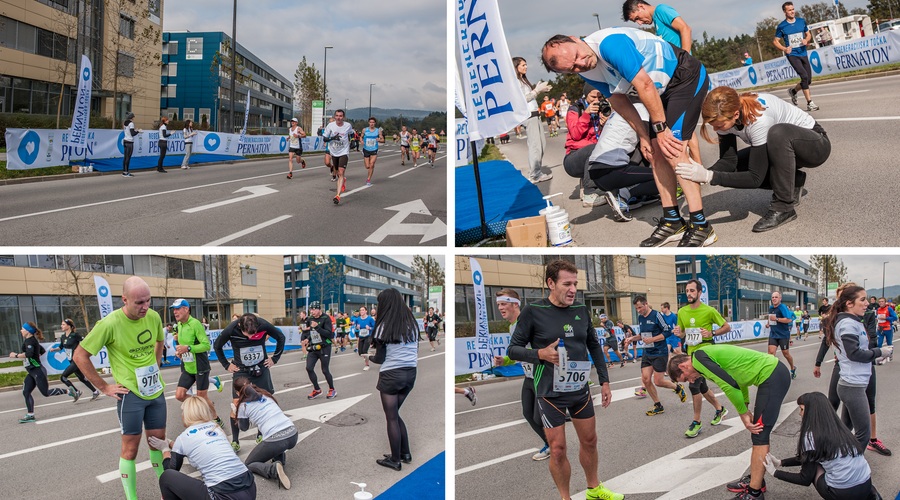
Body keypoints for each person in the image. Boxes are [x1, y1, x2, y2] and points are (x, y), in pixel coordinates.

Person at [542, 28, 715, 247]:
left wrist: (661, 130)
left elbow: (644, 84)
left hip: (685, 77)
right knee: (655, 154)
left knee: (672, 149)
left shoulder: (609, 45)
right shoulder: (585, 71)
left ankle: (701, 225)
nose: (581, 65)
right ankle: (673, 220)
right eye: (573, 68)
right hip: (659, 91)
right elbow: (619, 101)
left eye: (577, 56)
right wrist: (644, 136)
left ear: (576, 39)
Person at [507, 260, 619, 500]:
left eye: (575, 284)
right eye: (567, 283)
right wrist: (540, 354)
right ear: (550, 283)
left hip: (580, 389)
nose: (573, 289)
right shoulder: (533, 311)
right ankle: (565, 497)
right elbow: (512, 350)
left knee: (589, 441)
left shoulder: (580, 310)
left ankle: (594, 489)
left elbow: (593, 345)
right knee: (557, 450)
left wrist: (605, 381)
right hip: (549, 392)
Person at [678, 86, 830, 232]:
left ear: (735, 115)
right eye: (713, 126)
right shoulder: (728, 114)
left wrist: (709, 177)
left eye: (719, 125)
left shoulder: (758, 120)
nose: (716, 130)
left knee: (777, 133)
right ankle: (794, 180)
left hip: (816, 146)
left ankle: (784, 207)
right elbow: (729, 162)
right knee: (738, 167)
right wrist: (701, 173)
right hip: (786, 150)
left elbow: (755, 178)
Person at [73, 277, 167, 500]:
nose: (145, 307)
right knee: (131, 449)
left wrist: (155, 365)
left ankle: (166, 492)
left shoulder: (153, 317)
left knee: (157, 443)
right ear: (124, 300)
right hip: (130, 395)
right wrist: (104, 387)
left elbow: (160, 342)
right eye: (139, 303)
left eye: (148, 301)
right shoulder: (109, 323)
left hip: (155, 391)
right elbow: (80, 355)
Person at [668, 343, 791, 500]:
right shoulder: (702, 359)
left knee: (759, 434)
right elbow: (737, 380)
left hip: (772, 376)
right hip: (772, 375)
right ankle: (757, 479)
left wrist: (742, 413)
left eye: (686, 378)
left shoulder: (699, 359)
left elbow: (729, 385)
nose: (691, 381)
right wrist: (745, 405)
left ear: (683, 366)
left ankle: (755, 492)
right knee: (758, 435)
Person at [622, 0, 704, 166]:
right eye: (635, 22)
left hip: (683, 72)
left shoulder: (661, 10)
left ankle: (695, 166)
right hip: (673, 76)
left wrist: (685, 59)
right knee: (683, 125)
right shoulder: (657, 23)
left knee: (681, 126)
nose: (639, 23)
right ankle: (694, 165)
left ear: (641, 6)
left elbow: (685, 28)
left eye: (637, 17)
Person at [813, 282, 891, 457]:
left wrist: (876, 358)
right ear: (849, 303)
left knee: (846, 428)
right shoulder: (848, 323)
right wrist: (879, 351)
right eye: (862, 300)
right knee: (863, 434)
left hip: (855, 382)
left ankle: (831, 456)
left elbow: (856, 352)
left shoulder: (852, 321)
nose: (867, 303)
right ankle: (849, 469)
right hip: (852, 385)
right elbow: (854, 353)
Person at [763, 392, 881, 499]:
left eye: (802, 409)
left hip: (843, 493)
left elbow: (805, 478)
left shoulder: (811, 437)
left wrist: (775, 473)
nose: (800, 414)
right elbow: (810, 456)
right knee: (819, 460)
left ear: (812, 412)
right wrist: (781, 462)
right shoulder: (840, 428)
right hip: (866, 485)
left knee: (816, 466)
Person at [154, 396, 257, 500]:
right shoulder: (216, 428)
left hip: (224, 495)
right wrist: (171, 443)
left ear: (187, 415)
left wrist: (165, 449)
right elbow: (203, 446)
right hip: (249, 487)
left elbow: (170, 469)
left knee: (166, 477)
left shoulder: (184, 438)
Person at [491, 288, 550, 461]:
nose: (500, 308)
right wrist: (506, 360)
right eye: (498, 304)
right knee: (528, 414)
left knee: (540, 417)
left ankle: (555, 444)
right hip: (528, 376)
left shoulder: (528, 322)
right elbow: (518, 351)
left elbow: (536, 349)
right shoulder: (512, 326)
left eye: (504, 304)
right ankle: (550, 444)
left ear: (515, 304)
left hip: (541, 374)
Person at [213, 313, 286, 452]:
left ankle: (260, 434)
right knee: (236, 405)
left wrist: (275, 358)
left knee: (264, 402)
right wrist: (226, 365)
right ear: (240, 326)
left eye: (253, 335)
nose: (251, 338)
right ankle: (235, 441)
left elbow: (281, 337)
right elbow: (217, 346)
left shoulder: (263, 324)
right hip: (241, 371)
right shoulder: (231, 329)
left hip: (260, 370)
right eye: (247, 335)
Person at [674, 279, 730, 438]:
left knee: (694, 385)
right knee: (702, 387)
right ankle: (720, 409)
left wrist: (712, 333)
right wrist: (679, 333)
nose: (689, 294)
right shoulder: (682, 312)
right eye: (687, 291)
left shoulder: (709, 311)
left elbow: (727, 327)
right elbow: (683, 333)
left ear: (699, 292)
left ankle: (696, 422)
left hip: (705, 353)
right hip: (690, 354)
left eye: (692, 291)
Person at [371, 288, 420, 471]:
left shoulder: (384, 326)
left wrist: (368, 357)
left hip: (391, 374)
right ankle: (405, 453)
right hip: (410, 373)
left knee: (391, 417)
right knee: (396, 414)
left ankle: (395, 460)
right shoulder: (412, 324)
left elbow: (380, 358)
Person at [232, 378, 297, 490]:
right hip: (292, 434)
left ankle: (273, 470)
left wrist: (235, 412)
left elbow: (244, 427)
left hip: (276, 440)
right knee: (276, 442)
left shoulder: (243, 406)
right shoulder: (265, 395)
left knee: (249, 463)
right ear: (251, 384)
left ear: (237, 393)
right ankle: (279, 462)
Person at [169, 299, 224, 428]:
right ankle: (202, 404)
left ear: (186, 309)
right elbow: (182, 345)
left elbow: (206, 345)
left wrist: (188, 348)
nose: (175, 312)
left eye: (178, 308)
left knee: (202, 397)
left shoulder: (195, 324)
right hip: (188, 366)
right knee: (179, 395)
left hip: (200, 365)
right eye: (174, 309)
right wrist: (180, 352)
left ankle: (215, 418)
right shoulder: (179, 325)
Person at [632, 296, 687, 416]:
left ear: (646, 304)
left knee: (658, 381)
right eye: (636, 308)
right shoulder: (641, 317)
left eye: (640, 307)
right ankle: (658, 405)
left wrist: (653, 339)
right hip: (647, 352)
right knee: (646, 380)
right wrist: (632, 338)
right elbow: (642, 335)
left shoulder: (657, 315)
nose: (639, 310)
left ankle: (677, 388)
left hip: (659, 352)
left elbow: (667, 331)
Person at [10, 322, 75, 421]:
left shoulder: (30, 341)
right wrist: (34, 358)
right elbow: (42, 350)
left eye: (22, 329)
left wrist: (16, 355)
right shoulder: (30, 340)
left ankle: (69, 391)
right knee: (26, 392)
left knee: (46, 393)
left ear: (28, 331)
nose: (21, 330)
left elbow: (30, 354)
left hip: (37, 371)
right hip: (32, 371)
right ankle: (30, 415)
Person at [563, 85, 607, 207]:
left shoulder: (601, 109)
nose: (596, 100)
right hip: (573, 158)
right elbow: (575, 135)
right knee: (594, 148)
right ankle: (589, 194)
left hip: (592, 154)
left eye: (599, 97)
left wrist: (605, 124)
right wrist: (586, 114)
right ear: (586, 95)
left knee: (605, 148)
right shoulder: (575, 109)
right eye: (593, 97)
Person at [513, 56, 553, 184]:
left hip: (535, 114)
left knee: (541, 144)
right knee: (535, 145)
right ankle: (535, 174)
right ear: (516, 67)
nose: (526, 67)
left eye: (526, 64)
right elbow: (522, 100)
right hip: (529, 116)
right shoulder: (516, 82)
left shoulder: (523, 80)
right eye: (523, 65)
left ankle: (536, 171)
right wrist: (537, 90)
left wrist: (540, 90)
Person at [775, 2, 819, 111]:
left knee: (808, 80)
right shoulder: (782, 26)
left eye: (793, 9)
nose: (792, 11)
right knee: (804, 76)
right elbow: (775, 41)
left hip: (803, 53)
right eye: (789, 10)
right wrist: (784, 49)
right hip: (792, 55)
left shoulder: (801, 21)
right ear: (785, 12)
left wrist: (806, 39)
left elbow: (808, 34)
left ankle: (793, 91)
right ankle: (810, 103)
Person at [50, 318, 101, 402]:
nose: (61, 326)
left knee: (63, 377)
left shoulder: (75, 335)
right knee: (81, 378)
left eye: (63, 324)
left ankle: (76, 392)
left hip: (76, 360)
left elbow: (85, 341)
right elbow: (60, 347)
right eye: (61, 324)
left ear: (69, 326)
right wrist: (54, 349)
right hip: (70, 360)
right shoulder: (63, 337)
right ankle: (95, 391)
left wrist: (81, 351)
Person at [301, 302, 336, 400]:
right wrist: (308, 339)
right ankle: (317, 389)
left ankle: (332, 389)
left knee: (325, 370)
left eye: (313, 310)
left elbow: (329, 334)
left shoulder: (326, 318)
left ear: (319, 309)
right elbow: (312, 332)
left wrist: (317, 327)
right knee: (309, 368)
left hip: (324, 347)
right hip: (314, 347)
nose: (312, 312)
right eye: (310, 310)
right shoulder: (310, 319)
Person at [322, 109, 354, 204]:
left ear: (343, 117)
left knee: (341, 171)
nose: (339, 118)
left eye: (340, 116)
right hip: (334, 152)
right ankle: (342, 179)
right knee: (337, 172)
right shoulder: (330, 126)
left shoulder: (347, 125)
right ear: (334, 117)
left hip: (344, 151)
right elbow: (324, 138)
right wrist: (332, 138)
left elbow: (352, 133)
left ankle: (337, 195)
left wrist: (352, 141)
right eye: (337, 116)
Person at [764, 291, 798, 379]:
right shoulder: (771, 308)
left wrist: (777, 319)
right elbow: (771, 317)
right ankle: (770, 373)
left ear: (780, 298)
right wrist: (768, 323)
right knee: (771, 353)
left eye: (776, 297)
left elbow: (789, 320)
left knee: (786, 354)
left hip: (783, 335)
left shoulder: (782, 307)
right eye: (773, 297)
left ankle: (792, 368)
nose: (774, 299)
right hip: (773, 334)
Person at [361, 117, 385, 186]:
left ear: (375, 123)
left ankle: (368, 179)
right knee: (367, 166)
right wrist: (361, 140)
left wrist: (379, 140)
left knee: (371, 165)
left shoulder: (378, 131)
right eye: (370, 122)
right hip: (366, 149)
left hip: (374, 149)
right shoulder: (365, 130)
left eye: (373, 122)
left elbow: (383, 140)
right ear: (368, 123)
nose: (371, 124)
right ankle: (366, 160)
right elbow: (361, 137)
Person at [354, 306, 376, 371]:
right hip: (361, 336)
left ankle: (367, 365)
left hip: (368, 336)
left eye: (363, 310)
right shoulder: (358, 319)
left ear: (366, 311)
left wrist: (370, 328)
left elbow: (375, 327)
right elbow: (356, 327)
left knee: (364, 351)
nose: (361, 311)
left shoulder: (370, 319)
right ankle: (370, 355)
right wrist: (357, 328)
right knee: (360, 353)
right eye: (360, 310)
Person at [121, 112, 142, 177]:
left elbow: (129, 132)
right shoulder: (131, 123)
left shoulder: (125, 122)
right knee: (128, 157)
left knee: (125, 157)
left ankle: (124, 171)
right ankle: (126, 172)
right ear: (132, 117)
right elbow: (132, 134)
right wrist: (138, 131)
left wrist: (135, 131)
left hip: (125, 140)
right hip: (129, 142)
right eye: (133, 116)